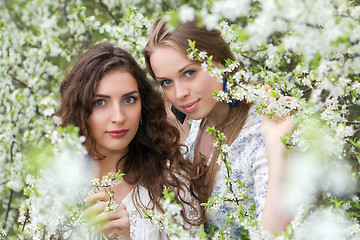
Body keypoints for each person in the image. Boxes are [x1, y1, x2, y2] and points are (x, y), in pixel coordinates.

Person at [144, 19, 294, 237]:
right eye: (167, 82)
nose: (179, 94)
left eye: (189, 73)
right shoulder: (197, 128)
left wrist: (277, 146)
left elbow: (275, 234)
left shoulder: (261, 132)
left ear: (221, 62)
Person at [57, 42, 204, 239]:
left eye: (129, 100)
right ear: (80, 109)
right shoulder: (55, 187)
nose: (118, 117)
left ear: (143, 105)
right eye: (100, 102)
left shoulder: (172, 180)